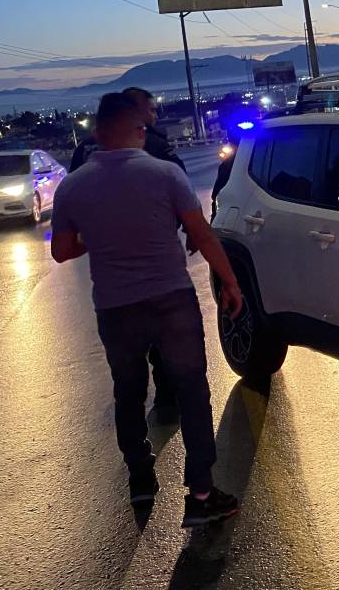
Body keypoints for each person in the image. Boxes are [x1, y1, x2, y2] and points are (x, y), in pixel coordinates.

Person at [52, 92, 244, 527]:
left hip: (116, 307)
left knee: (128, 390)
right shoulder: (165, 174)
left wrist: (98, 238)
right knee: (193, 390)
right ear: (139, 132)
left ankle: (140, 479)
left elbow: (62, 251)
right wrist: (230, 282)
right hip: (171, 298)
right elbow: (203, 234)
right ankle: (200, 494)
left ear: (98, 134)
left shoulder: (73, 185)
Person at [71, 86, 184, 423]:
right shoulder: (154, 145)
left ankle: (136, 448)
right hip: (157, 265)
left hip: (109, 277)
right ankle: (166, 398)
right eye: (150, 110)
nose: (154, 116)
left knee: (125, 352)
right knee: (164, 332)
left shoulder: (85, 151)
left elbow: (73, 204)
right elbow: (183, 194)